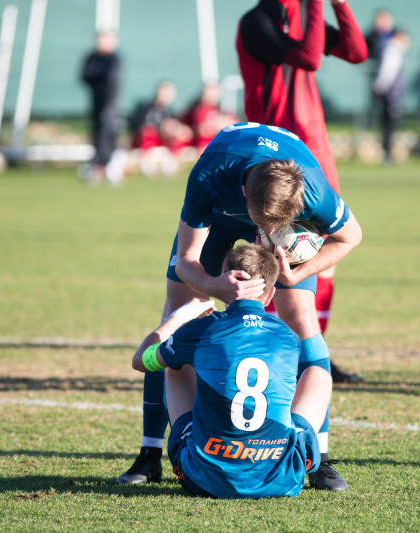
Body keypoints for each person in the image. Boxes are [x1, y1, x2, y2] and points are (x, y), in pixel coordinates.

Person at [117, 122, 363, 491]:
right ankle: (149, 454)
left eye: (271, 225)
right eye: (258, 222)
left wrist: (297, 274)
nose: (259, 232)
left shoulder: (313, 190)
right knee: (176, 314)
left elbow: (351, 237)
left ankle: (319, 461)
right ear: (244, 191)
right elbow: (187, 259)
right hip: (218, 217)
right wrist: (212, 285)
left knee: (302, 322)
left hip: (288, 229)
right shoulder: (211, 175)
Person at [130, 244, 332, 499]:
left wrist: (182, 315)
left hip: (205, 479)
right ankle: (317, 459)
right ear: (269, 296)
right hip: (279, 479)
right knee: (318, 373)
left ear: (224, 281)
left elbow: (140, 361)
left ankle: (166, 452)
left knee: (174, 364)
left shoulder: (202, 329)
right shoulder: (286, 334)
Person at [236, 0, 368, 384]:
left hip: (317, 153)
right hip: (273, 158)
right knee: (271, 256)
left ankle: (314, 350)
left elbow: (357, 52)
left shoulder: (302, 18)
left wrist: (338, 5)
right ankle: (273, 351)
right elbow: (310, 58)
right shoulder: (256, 22)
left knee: (323, 257)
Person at [80, 31, 123, 185]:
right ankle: (96, 167)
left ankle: (110, 167)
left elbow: (112, 81)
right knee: (96, 134)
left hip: (109, 103)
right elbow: (85, 76)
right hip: (95, 102)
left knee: (108, 135)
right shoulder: (92, 58)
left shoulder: (114, 60)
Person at [129, 80, 192, 177]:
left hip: (164, 145)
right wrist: (161, 129)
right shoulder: (146, 109)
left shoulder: (171, 112)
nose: (166, 96)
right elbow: (141, 129)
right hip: (146, 146)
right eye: (164, 92)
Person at [371, 28, 410, 163]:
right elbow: (388, 71)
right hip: (391, 94)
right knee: (390, 125)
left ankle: (387, 152)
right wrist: (379, 87)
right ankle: (386, 153)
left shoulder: (389, 48)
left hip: (389, 93)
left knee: (389, 124)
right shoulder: (393, 49)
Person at [181, 81, 238, 155]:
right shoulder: (199, 108)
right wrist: (218, 126)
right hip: (203, 145)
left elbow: (234, 122)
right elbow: (201, 130)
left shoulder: (218, 108)